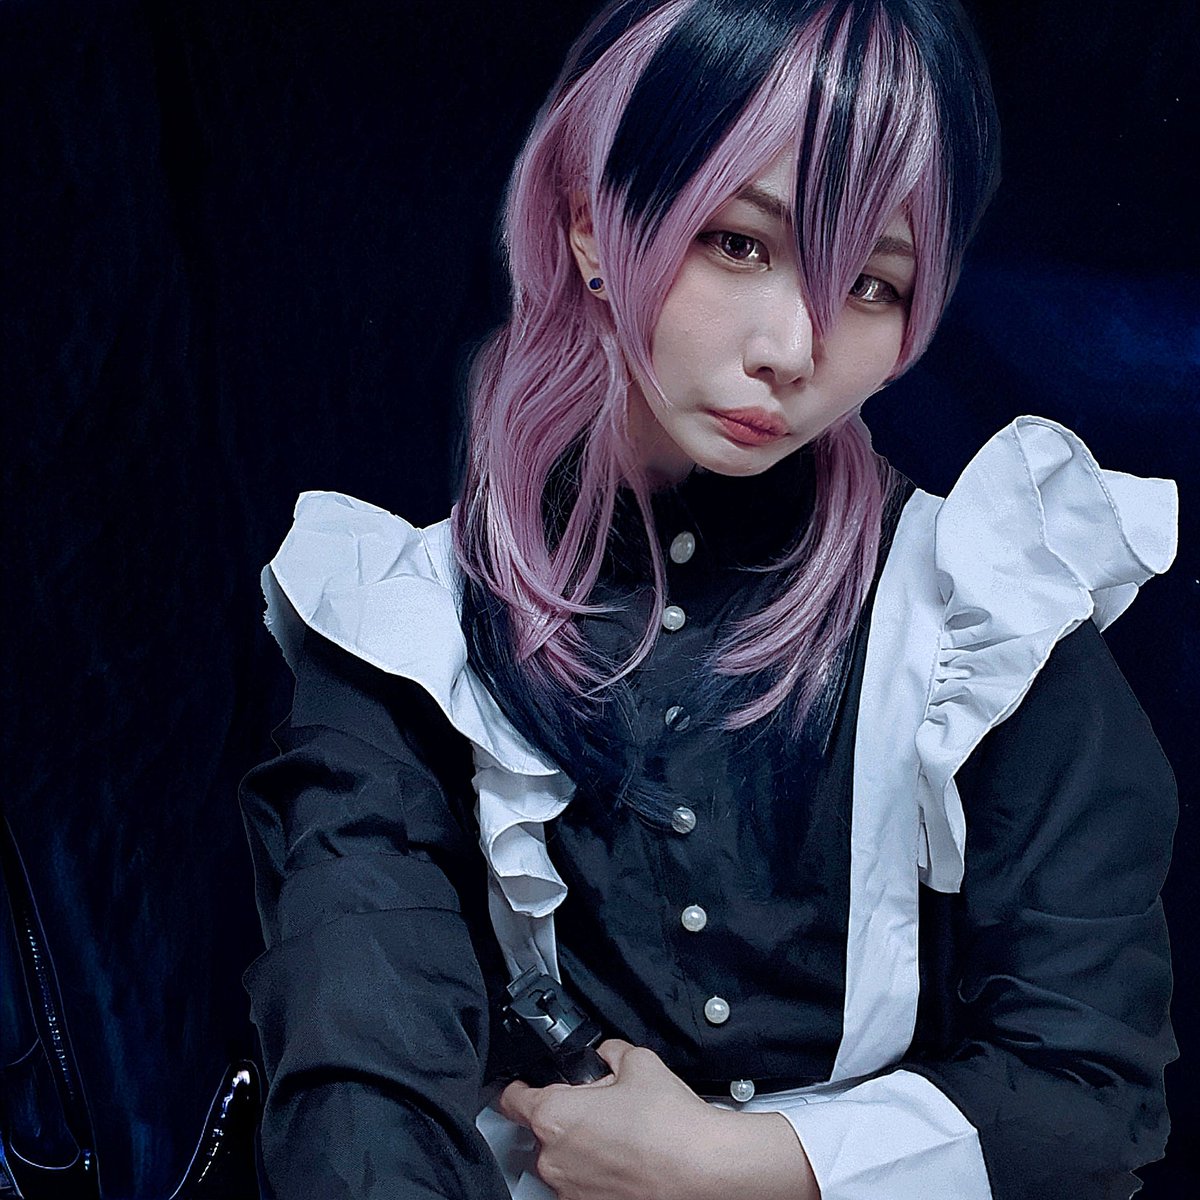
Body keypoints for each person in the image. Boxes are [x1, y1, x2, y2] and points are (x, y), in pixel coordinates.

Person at [238, 1, 1179, 1197]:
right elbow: (360, 1080)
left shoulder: (984, 613)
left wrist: (733, 1165)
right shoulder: (406, 623)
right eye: (739, 244)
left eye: (872, 284)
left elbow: (1089, 1100)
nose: (794, 348)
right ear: (592, 225)